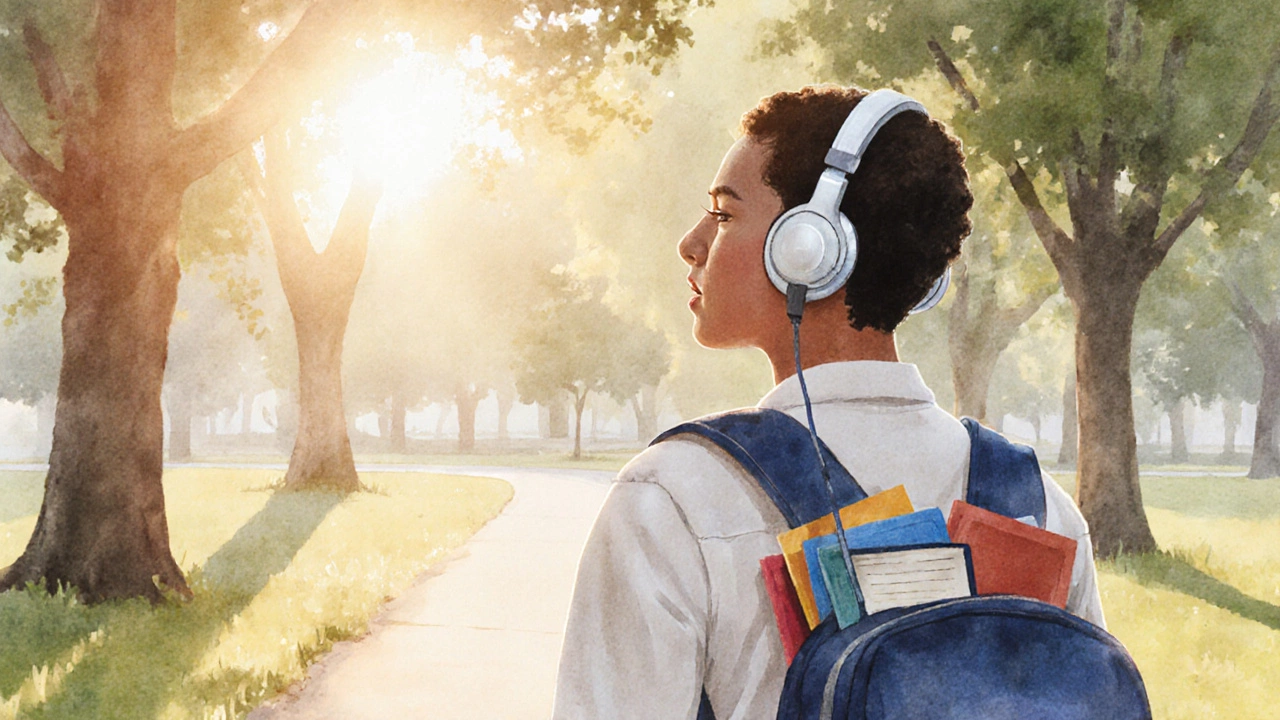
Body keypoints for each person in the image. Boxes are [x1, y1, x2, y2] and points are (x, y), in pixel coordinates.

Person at [550, 85, 1104, 720]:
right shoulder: (1038, 508)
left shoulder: (673, 499)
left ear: (809, 248)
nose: (692, 241)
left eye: (724, 215)